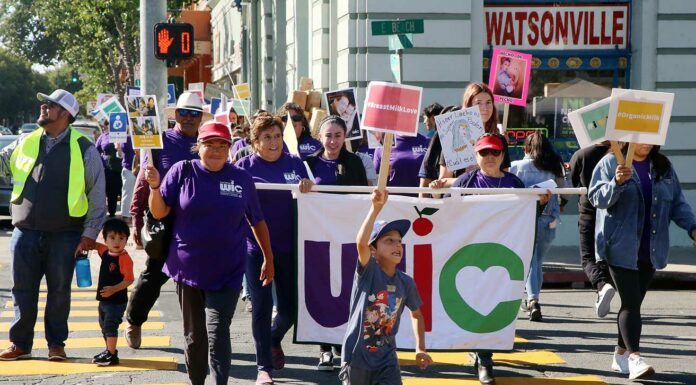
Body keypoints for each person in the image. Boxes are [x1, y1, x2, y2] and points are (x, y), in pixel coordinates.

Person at [146, 121, 273, 385]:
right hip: (187, 269)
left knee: (217, 332)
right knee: (194, 337)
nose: (216, 150)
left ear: (229, 149)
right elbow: (159, 212)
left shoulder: (241, 179)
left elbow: (257, 220)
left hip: (227, 270)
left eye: (222, 146)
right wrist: (155, 188)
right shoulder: (182, 171)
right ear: (198, 147)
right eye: (209, 145)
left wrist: (268, 258)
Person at [431, 134, 549, 384]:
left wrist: (538, 204)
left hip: (501, 259)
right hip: (468, 256)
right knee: (472, 303)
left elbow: (526, 218)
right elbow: (444, 214)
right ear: (476, 156)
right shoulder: (466, 180)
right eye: (484, 153)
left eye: (495, 152)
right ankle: (480, 353)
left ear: (503, 155)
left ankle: (485, 357)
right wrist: (436, 194)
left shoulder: (515, 183)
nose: (490, 157)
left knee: (491, 305)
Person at [0, 89, 106, 361]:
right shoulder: (26, 141)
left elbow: (97, 194)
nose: (44, 108)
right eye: (45, 104)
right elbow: (3, 164)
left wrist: (90, 234)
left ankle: (56, 344)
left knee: (59, 291)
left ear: (66, 114)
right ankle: (20, 343)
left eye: (50, 105)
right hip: (25, 230)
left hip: (66, 234)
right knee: (21, 289)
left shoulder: (84, 148)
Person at [588, 143, 696, 380]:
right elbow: (596, 197)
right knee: (631, 303)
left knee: (633, 303)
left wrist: (693, 227)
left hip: (651, 249)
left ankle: (619, 354)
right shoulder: (610, 163)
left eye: (651, 138)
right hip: (619, 247)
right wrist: (615, 183)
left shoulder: (663, 166)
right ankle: (635, 358)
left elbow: (678, 203)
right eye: (641, 137)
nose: (647, 143)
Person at [125, 92, 209, 349]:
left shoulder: (207, 144)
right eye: (183, 113)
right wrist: (136, 216)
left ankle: (198, 337)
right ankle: (134, 321)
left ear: (200, 118)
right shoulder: (159, 141)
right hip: (163, 218)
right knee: (155, 273)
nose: (188, 118)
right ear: (175, 115)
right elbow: (143, 178)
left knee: (198, 278)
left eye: (194, 114)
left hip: (197, 221)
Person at [236, 115, 314, 383]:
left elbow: (314, 197)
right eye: (267, 137)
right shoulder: (243, 167)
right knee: (261, 305)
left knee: (290, 310)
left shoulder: (295, 163)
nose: (273, 142)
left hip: (288, 247)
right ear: (255, 142)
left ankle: (272, 337)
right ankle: (263, 368)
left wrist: (308, 187)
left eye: (277, 136)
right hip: (254, 249)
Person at [339, 189, 432, 384]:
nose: (397, 245)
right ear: (373, 249)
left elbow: (417, 314)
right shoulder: (369, 271)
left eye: (399, 241)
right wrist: (375, 209)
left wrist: (420, 348)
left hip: (387, 360)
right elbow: (361, 244)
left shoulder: (406, 282)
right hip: (357, 359)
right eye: (389, 240)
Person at [305, 115, 368, 370]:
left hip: (347, 235)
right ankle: (324, 349)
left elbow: (362, 197)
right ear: (320, 136)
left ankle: (344, 343)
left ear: (345, 137)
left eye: (337, 136)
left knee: (346, 289)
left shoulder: (354, 163)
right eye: (328, 135)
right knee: (321, 286)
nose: (332, 141)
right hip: (317, 235)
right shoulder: (308, 164)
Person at [510, 132, 566, 321]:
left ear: (526, 148)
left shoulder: (516, 167)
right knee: (537, 261)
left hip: (524, 219)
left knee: (530, 260)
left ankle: (532, 299)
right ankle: (534, 298)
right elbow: (565, 192)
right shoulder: (554, 168)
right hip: (549, 219)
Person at [569, 142, 616, 317]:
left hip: (588, 212)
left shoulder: (581, 155)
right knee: (605, 256)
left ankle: (602, 285)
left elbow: (571, 183)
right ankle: (604, 290)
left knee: (587, 257)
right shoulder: (618, 154)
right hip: (612, 212)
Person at [439, 83, 511, 180]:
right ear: (468, 106)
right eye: (478, 103)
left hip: (491, 195)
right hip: (463, 194)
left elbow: (505, 179)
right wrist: (468, 178)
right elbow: (443, 180)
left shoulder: (499, 139)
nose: (485, 108)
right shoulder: (453, 137)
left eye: (488, 102)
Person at [92, 218, 134, 366]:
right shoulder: (105, 252)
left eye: (121, 238)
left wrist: (113, 290)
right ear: (106, 239)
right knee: (104, 326)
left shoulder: (124, 259)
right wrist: (81, 245)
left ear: (127, 240)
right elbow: (94, 245)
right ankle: (109, 351)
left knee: (110, 326)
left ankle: (111, 354)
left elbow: (129, 280)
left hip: (116, 301)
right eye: (112, 237)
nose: (117, 242)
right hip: (104, 300)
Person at [95, 127, 124, 217]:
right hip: (108, 170)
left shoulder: (125, 135)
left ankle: (126, 214)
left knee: (123, 192)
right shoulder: (103, 137)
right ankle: (111, 214)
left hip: (124, 168)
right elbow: (96, 151)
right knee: (111, 193)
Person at [117, 136, 136, 225]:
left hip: (139, 168)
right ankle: (126, 216)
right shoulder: (127, 138)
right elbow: (120, 155)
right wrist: (119, 148)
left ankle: (128, 216)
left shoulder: (127, 138)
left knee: (129, 193)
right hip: (129, 168)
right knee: (128, 193)